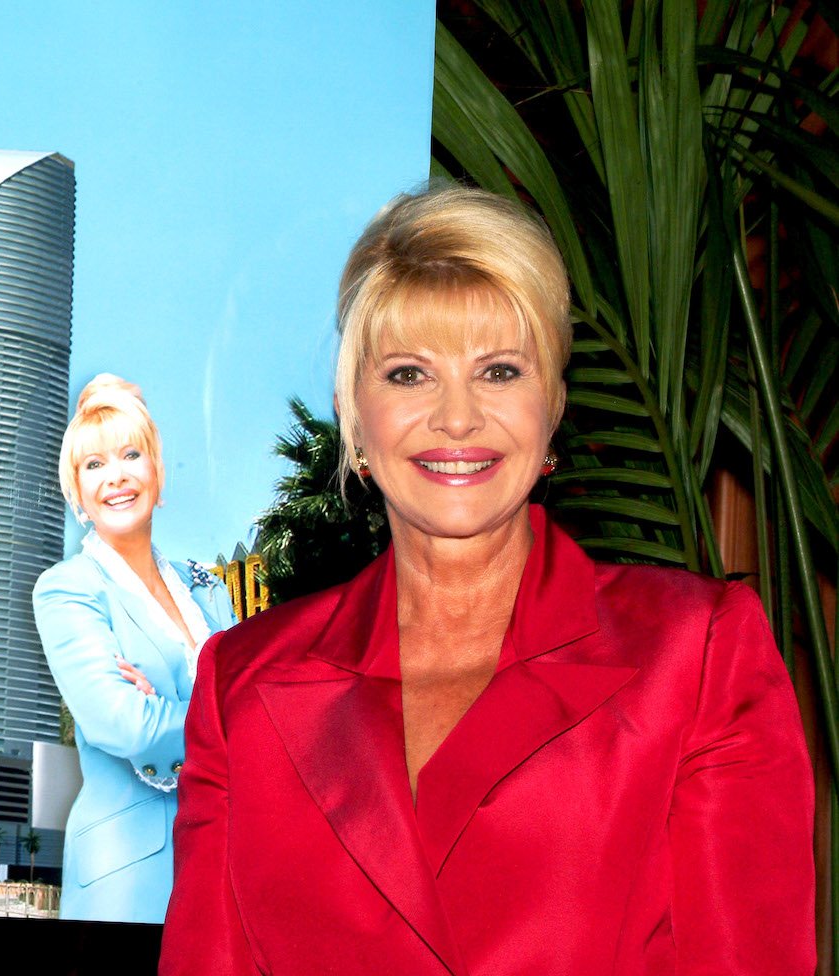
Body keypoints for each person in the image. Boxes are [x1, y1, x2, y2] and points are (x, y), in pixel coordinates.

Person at [160, 186, 815, 973]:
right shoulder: (242, 686)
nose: (458, 418)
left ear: (554, 408)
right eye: (409, 375)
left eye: (499, 371)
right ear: (354, 416)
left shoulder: (697, 654)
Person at [33, 374, 236, 923]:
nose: (116, 477)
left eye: (130, 454)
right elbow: (122, 725)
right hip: (130, 876)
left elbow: (255, 707)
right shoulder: (68, 588)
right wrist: (219, 722)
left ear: (156, 471)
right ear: (77, 488)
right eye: (94, 465)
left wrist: (164, 711)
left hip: (226, 861)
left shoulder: (205, 588)